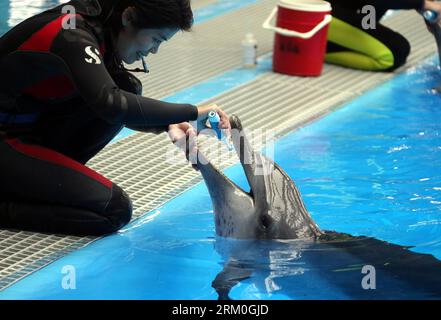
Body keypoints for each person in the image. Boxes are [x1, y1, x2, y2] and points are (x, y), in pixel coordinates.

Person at [0, 0, 230, 236]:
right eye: (156, 39)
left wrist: (169, 123)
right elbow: (112, 105)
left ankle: (27, 181)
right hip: (6, 139)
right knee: (113, 210)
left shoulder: (101, 26)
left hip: (22, 130)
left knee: (124, 85)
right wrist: (191, 111)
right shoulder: (70, 32)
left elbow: (114, 102)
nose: (153, 51)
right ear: (129, 17)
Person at [326, 0, 441, 71]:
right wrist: (423, 4)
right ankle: (316, 49)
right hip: (316, 11)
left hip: (347, 8)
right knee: (395, 52)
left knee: (371, 18)